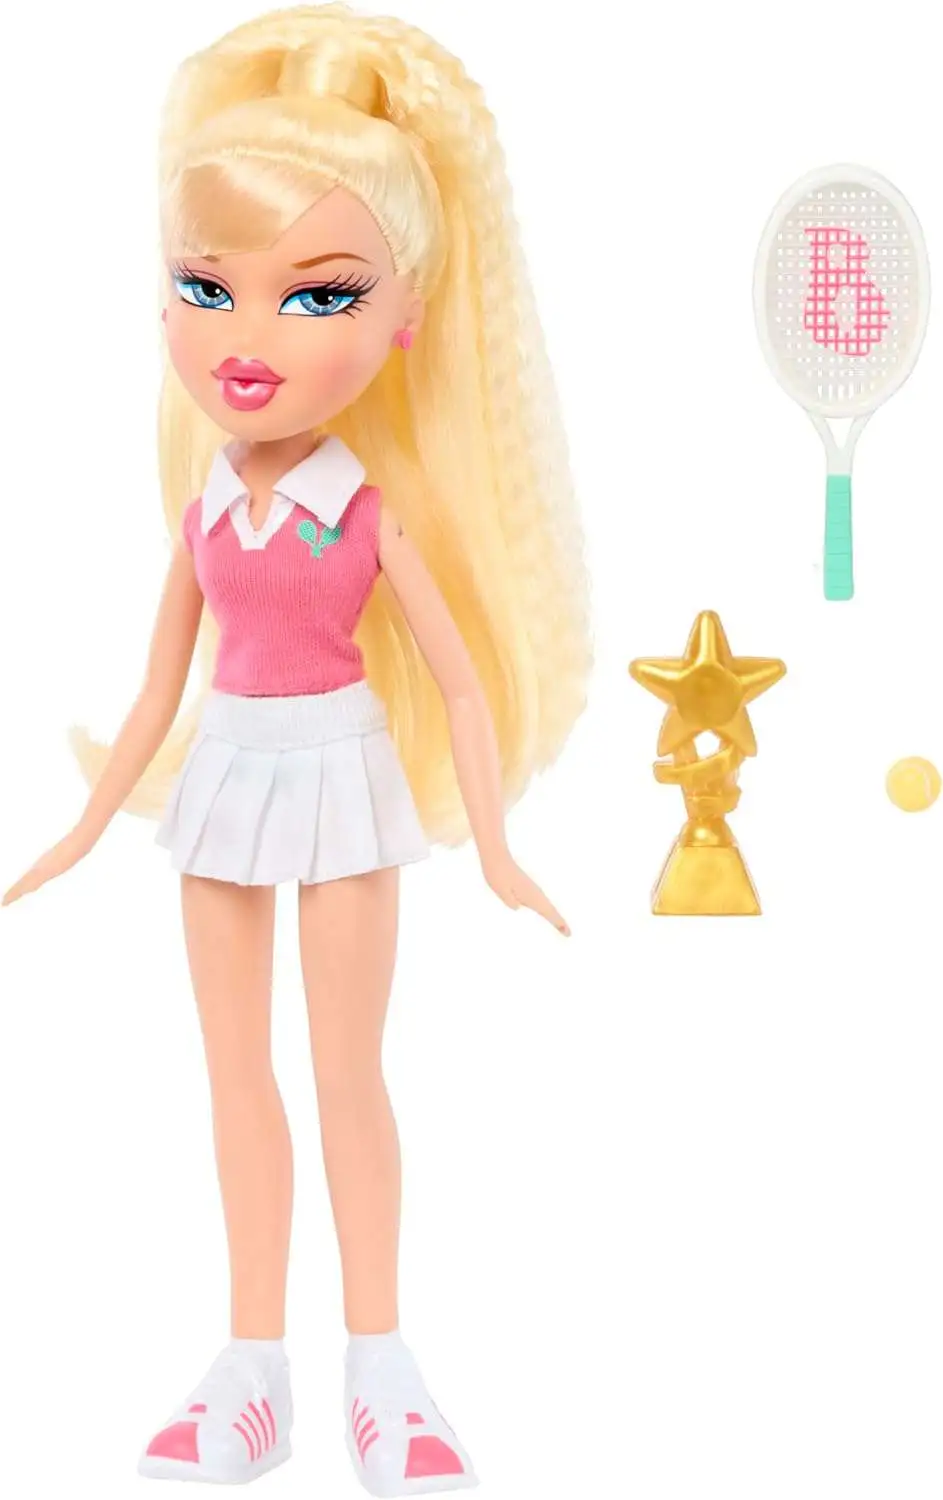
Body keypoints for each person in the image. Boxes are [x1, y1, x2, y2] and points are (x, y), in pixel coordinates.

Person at [1, 5, 590, 1493]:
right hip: (222, 782)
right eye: (206, 288)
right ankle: (249, 1363)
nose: (245, 339)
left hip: (339, 776)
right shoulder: (205, 508)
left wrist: (499, 849)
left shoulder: (366, 516)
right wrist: (80, 828)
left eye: (315, 296)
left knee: (345, 1075)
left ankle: (379, 1364)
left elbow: (459, 688)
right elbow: (159, 687)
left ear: (404, 320)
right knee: (232, 1075)